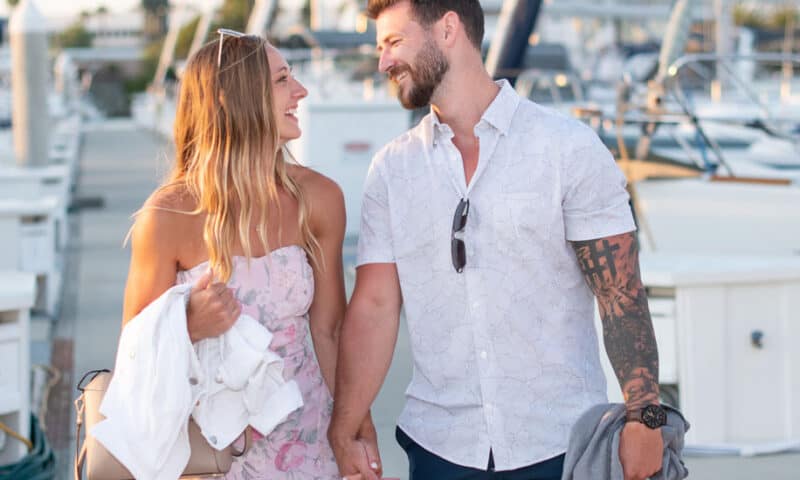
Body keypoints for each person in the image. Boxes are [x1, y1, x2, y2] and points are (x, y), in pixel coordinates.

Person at [328, 1, 665, 480]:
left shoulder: (567, 148)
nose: (383, 62)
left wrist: (645, 420)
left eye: (394, 43)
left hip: (560, 445)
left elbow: (622, 296)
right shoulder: (392, 169)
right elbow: (376, 306)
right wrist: (346, 425)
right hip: (439, 448)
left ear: (448, 29)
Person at [122, 32, 379, 479]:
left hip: (308, 439)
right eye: (283, 80)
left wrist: (356, 433)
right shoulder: (165, 216)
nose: (301, 91)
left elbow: (331, 331)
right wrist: (187, 325)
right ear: (231, 99)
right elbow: (134, 355)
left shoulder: (318, 198)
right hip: (208, 453)